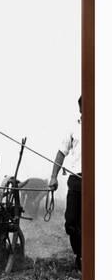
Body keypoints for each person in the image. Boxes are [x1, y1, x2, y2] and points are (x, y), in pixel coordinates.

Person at [49, 96, 82, 270]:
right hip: (77, 180)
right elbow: (61, 152)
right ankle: (80, 255)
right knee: (71, 222)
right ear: (81, 109)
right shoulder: (73, 129)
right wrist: (53, 177)